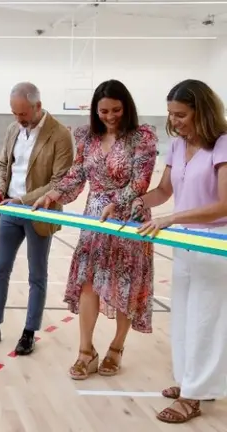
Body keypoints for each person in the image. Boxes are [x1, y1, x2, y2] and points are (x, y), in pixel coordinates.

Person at [32, 79, 158, 379]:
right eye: (104, 111)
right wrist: (52, 195)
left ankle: (116, 347)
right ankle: (85, 352)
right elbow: (76, 175)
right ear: (95, 110)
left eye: (116, 109)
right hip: (94, 220)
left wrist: (119, 202)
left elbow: (141, 181)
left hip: (128, 218)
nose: (110, 116)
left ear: (126, 107)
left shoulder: (142, 138)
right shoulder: (87, 137)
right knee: (88, 282)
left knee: (125, 284)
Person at [134, 79, 227, 424]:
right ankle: (191, 380)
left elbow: (223, 205)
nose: (175, 122)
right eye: (171, 115)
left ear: (202, 112)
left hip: (215, 242)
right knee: (185, 315)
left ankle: (194, 396)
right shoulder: (176, 146)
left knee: (206, 318)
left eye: (182, 115)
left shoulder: (222, 145)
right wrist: (132, 202)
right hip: (184, 240)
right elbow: (162, 191)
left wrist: (172, 218)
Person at [0, 82, 74, 355]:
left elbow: (59, 181)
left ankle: (29, 333)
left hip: (38, 212)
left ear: (38, 106)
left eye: (23, 114)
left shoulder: (60, 135)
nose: (18, 119)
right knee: (0, 270)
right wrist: (0, 188)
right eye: (14, 113)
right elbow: (4, 164)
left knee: (37, 275)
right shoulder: (13, 129)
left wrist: (23, 200)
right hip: (10, 210)